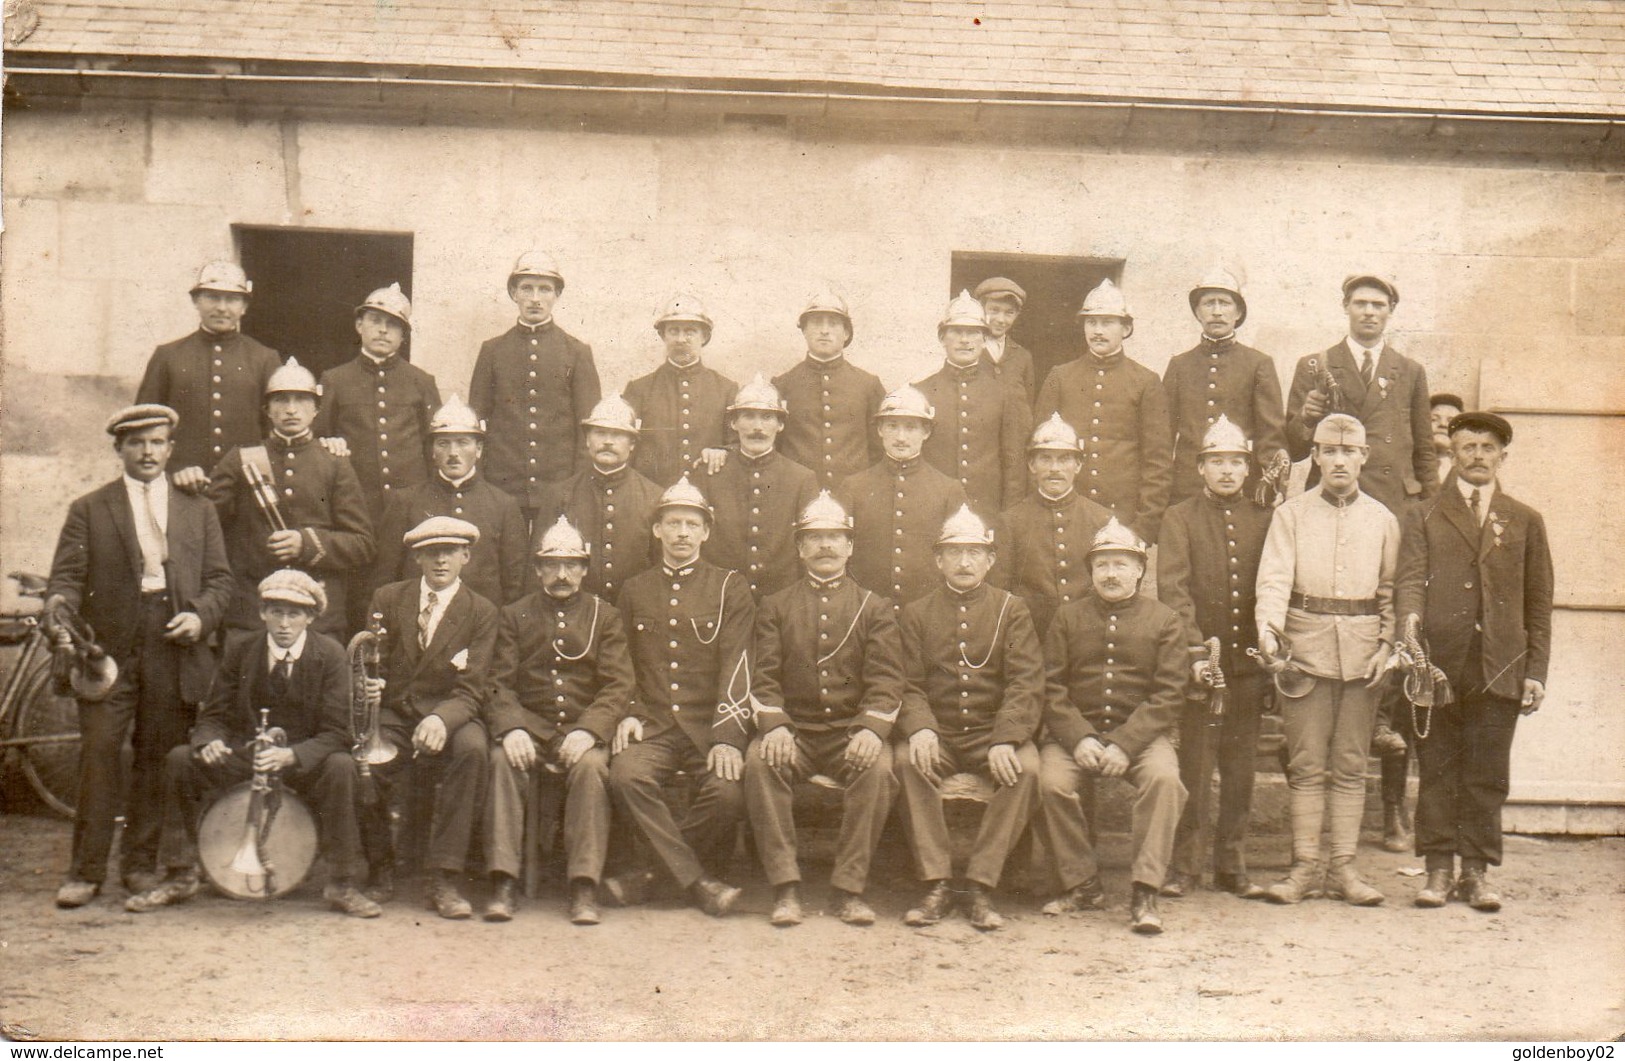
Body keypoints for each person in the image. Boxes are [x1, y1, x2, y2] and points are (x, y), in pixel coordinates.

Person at [45, 405, 235, 909]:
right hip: (106, 650)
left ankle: (138, 866)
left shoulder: (198, 509)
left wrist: (200, 616)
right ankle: (85, 872)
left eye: (157, 442)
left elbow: (221, 580)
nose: (148, 452)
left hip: (173, 646)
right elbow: (65, 579)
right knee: (100, 754)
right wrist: (59, 614)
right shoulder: (90, 508)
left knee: (157, 758)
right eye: (136, 443)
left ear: (171, 448)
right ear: (119, 449)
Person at [123, 570, 379, 918]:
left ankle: (342, 883)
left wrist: (291, 755)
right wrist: (209, 739)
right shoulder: (241, 650)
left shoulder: (330, 655)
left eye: (294, 614)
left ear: (310, 617)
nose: (284, 623)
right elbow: (214, 713)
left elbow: (338, 732)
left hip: (303, 764)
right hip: (248, 756)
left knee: (341, 765)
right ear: (262, 613)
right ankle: (179, 873)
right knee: (182, 759)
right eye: (276, 612)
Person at [1397, 411, 1552, 911]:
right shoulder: (1422, 514)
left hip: (1500, 665)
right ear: (1453, 454)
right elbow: (1409, 582)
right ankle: (1438, 870)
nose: (1478, 456)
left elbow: (1538, 603)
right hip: (1439, 664)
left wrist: (1535, 672)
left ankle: (1477, 872)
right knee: (1438, 767)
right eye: (1468, 447)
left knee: (1487, 771)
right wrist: (1413, 643)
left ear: (1502, 456)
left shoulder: (1525, 519)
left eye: (1488, 447)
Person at [1254, 413, 1400, 906]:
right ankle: (1303, 868)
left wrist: (1388, 647)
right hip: (1304, 652)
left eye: (1349, 451)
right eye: (1329, 451)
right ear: (1314, 456)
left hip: (1363, 657)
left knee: (1352, 764)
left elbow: (1391, 592)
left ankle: (1343, 868)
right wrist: (1271, 636)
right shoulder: (1290, 515)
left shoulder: (1383, 520)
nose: (1339, 460)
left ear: (1364, 457)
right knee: (1306, 763)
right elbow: (1274, 580)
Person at [745, 491, 905, 927]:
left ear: (850, 546)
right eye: (815, 538)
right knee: (760, 763)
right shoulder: (776, 606)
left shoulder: (875, 607)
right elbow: (762, 676)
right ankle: (785, 887)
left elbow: (887, 680)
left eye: (835, 537)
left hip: (850, 734)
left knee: (877, 770)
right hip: (795, 732)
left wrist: (871, 730)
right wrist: (774, 725)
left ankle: (847, 889)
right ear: (800, 548)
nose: (825, 546)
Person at [604, 476, 755, 917]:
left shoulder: (730, 586)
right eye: (673, 523)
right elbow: (621, 661)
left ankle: (651, 875)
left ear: (707, 531)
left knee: (727, 794)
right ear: (657, 530)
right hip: (652, 724)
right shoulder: (634, 589)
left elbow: (738, 663)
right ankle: (699, 881)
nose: (682, 533)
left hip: (709, 726)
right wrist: (628, 712)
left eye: (692, 524)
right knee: (626, 775)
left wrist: (728, 735)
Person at [892, 505, 1044, 931]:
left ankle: (980, 883)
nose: (964, 562)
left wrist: (1005, 738)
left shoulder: (1011, 610)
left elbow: (1026, 682)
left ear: (990, 560)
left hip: (989, 733)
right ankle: (936, 881)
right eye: (954, 552)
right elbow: (908, 682)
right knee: (906, 762)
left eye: (974, 553)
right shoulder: (916, 613)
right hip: (937, 734)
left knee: (1027, 768)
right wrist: (920, 727)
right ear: (938, 559)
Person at [1036, 518, 1189, 934]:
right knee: (1049, 782)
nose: (1111, 573)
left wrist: (1125, 743)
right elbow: (1050, 686)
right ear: (1090, 571)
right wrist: (1079, 736)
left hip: (1139, 738)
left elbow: (1169, 694)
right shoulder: (1068, 617)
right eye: (1102, 564)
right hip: (1075, 736)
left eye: (1121, 564)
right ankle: (1082, 882)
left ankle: (1145, 888)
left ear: (1140, 569)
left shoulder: (1165, 620)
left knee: (1164, 780)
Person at [483, 516, 636, 925]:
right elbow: (497, 684)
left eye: (572, 565)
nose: (562, 574)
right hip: (530, 727)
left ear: (585, 569)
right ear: (538, 570)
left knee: (590, 770)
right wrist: (512, 726)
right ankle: (503, 880)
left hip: (582, 731)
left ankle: (583, 884)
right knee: (502, 760)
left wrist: (589, 730)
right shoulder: (514, 615)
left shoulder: (606, 616)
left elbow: (618, 685)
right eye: (553, 565)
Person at [1155, 416, 1273, 900]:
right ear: (1201, 466)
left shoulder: (1266, 519)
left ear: (1247, 469)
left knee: (1241, 767)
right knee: (1196, 768)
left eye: (1236, 462)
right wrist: (1196, 652)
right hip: (1202, 665)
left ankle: (1233, 862)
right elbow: (1174, 590)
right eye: (1217, 462)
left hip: (1247, 665)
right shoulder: (1178, 518)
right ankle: (1185, 865)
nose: (1227, 471)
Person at [366, 517, 499, 920]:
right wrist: (371, 686)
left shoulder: (481, 611)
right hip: (397, 712)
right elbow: (373, 662)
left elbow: (474, 686)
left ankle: (443, 874)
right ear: (418, 557)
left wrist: (442, 719)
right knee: (363, 758)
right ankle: (380, 866)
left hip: (452, 713)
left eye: (449, 551)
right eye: (431, 552)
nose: (440, 560)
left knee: (474, 751)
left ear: (465, 556)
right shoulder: (388, 599)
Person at [207, 358, 374, 636]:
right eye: (281, 401)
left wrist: (306, 544)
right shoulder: (240, 460)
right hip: (252, 612)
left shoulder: (334, 464)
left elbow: (363, 544)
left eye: (302, 401)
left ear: (316, 409)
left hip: (317, 613)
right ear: (267, 410)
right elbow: (207, 527)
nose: (291, 410)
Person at [1283, 273, 1438, 514]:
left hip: (1393, 501)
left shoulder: (1410, 371)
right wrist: (1306, 417)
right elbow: (1294, 450)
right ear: (1346, 306)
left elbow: (1425, 450)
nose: (1369, 312)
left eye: (1378, 305)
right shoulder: (1315, 365)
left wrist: (1431, 508)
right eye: (1360, 303)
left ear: (1391, 309)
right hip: (1332, 498)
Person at [469, 251, 602, 527]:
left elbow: (588, 428)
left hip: (558, 484)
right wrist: (480, 481)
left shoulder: (576, 352)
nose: (535, 298)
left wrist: (575, 485)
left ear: (557, 295)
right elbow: (476, 423)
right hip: (502, 483)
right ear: (513, 293)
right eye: (526, 288)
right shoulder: (492, 351)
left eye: (545, 289)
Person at [1035, 279, 1172, 544]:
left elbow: (1158, 463)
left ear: (1126, 328)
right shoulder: (1060, 377)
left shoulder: (1145, 381)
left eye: (1107, 323)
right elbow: (1037, 452)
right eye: (1091, 322)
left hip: (1122, 520)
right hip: (1065, 517)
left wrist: (1143, 528)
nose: (1097, 331)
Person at [371, 394, 529, 609]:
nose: (453, 453)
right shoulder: (405, 501)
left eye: (463, 443)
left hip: (483, 630)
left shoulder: (503, 505)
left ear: (479, 449)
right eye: (443, 444)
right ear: (433, 451)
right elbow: (385, 577)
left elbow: (515, 585)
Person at [136, 260, 281, 491]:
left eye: (232, 299)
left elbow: (275, 432)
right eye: (212, 297)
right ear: (196, 301)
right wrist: (171, 472)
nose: (222, 307)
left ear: (244, 306)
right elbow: (144, 429)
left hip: (244, 490)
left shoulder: (265, 358)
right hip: (180, 487)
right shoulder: (168, 356)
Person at [1162, 266, 1287, 505]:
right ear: (1197, 312)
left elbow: (1271, 435)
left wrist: (1270, 486)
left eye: (1225, 303)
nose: (1217, 311)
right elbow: (1163, 437)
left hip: (1242, 487)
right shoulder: (1179, 365)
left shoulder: (1258, 363)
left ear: (1238, 312)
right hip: (1188, 488)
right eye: (1209, 303)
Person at [834, 385, 968, 606]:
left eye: (911, 427)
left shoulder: (949, 490)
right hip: (865, 611)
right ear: (879, 430)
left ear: (926, 432)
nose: (901, 437)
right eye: (892, 426)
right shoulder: (853, 487)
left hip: (928, 612)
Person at [995, 413, 1114, 636]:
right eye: (1045, 459)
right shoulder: (1011, 521)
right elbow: (1001, 596)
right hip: (1031, 637)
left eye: (1064, 459)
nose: (1054, 469)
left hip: (1089, 636)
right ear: (1031, 464)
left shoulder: (1101, 519)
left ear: (1078, 465)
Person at [701, 374, 818, 598]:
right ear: (733, 423)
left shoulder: (802, 480)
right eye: (748, 416)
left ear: (780, 424)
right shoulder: (709, 474)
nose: (758, 427)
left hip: (781, 600)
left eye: (767, 417)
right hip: (720, 600)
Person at [915, 290, 1030, 514]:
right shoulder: (921, 393)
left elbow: (1013, 465)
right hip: (932, 509)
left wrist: (1008, 519)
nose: (965, 340)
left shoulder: (1004, 394)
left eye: (973, 333)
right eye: (957, 332)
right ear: (942, 337)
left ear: (985, 339)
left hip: (986, 512)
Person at [545, 393, 662, 604]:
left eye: (617, 434)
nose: (608, 441)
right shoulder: (560, 495)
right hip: (575, 617)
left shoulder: (654, 497)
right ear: (588, 439)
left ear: (632, 443)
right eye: (600, 433)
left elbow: (660, 567)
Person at [773, 289, 886, 490]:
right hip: (798, 492)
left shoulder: (869, 385)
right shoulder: (782, 385)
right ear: (804, 330)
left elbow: (880, 450)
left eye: (833, 324)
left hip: (853, 495)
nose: (824, 331)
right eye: (816, 323)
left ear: (846, 333)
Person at [624, 295, 738, 487]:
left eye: (690, 331)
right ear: (663, 335)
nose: (681, 339)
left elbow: (738, 445)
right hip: (653, 495)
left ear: (704, 337)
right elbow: (625, 449)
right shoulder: (639, 390)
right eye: (673, 331)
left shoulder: (726, 389)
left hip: (707, 495)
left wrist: (723, 450)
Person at [974, 276, 1036, 402]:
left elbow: (1027, 408)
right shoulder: (966, 349)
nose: (1001, 320)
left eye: (1009, 313)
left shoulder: (1023, 356)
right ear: (981, 309)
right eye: (994, 310)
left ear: (1017, 315)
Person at [1429, 392, 1465, 483]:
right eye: (1434, 419)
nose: (1443, 424)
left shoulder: (1468, 473)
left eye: (1451, 421)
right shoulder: (1406, 467)